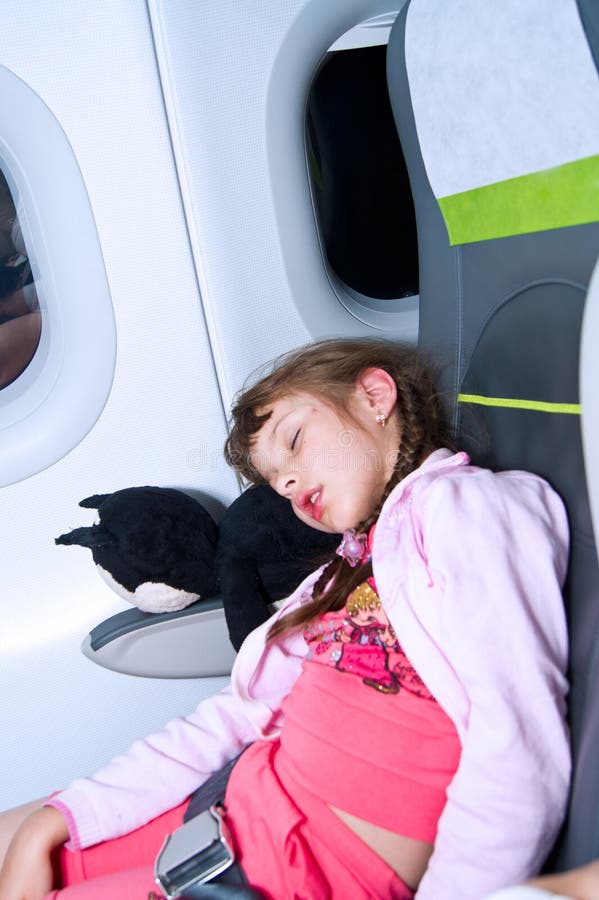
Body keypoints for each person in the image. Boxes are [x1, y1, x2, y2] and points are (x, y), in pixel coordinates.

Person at [0, 338, 571, 899]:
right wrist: (57, 820)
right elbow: (232, 718)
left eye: (294, 441)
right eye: (277, 483)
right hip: (231, 805)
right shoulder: (340, 575)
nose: (290, 486)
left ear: (375, 395)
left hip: (300, 872)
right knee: (12, 840)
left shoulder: (461, 511)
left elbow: (516, 745)